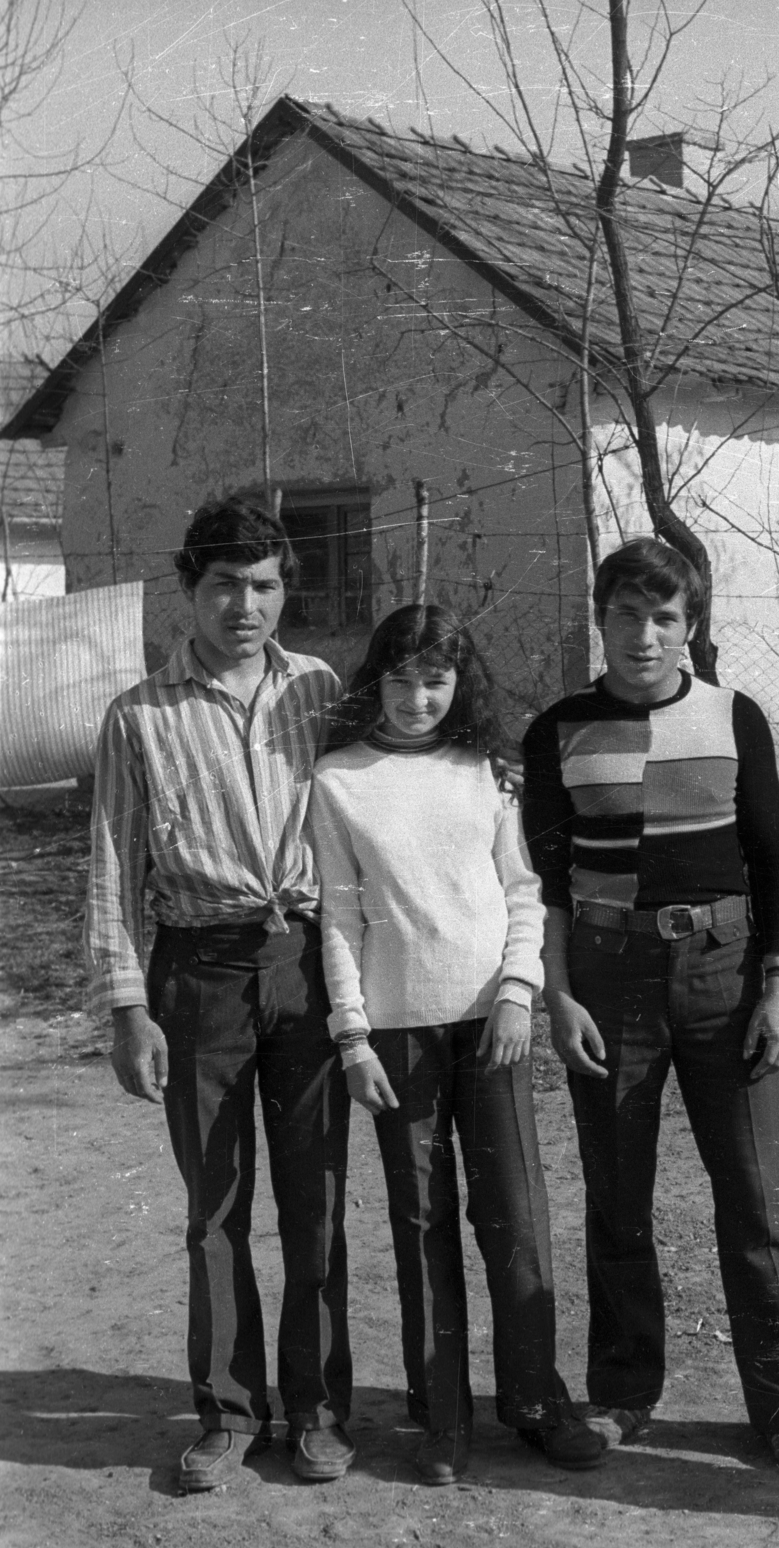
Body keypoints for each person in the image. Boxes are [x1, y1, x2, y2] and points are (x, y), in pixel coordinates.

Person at [521, 537, 779, 1476]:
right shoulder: (558, 730)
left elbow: (774, 861)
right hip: (608, 981)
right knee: (618, 1199)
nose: (643, 636)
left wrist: (778, 985)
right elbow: (551, 886)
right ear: (601, 620)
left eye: (664, 618)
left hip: (722, 974)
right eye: (625, 615)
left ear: (689, 625)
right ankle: (620, 1392)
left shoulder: (734, 716)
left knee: (752, 1195)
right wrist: (559, 996)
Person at [84, 496, 355, 1493]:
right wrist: (126, 1004)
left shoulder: (320, 692)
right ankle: (230, 1412)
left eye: (265, 584)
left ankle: (319, 1413)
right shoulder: (139, 714)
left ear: (285, 588)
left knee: (315, 1199)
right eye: (224, 585)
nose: (246, 605)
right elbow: (112, 863)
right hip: (196, 971)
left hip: (304, 961)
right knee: (217, 1210)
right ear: (189, 590)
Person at [307, 604, 603, 1485]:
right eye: (399, 680)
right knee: (421, 1218)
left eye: (434, 680)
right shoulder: (337, 781)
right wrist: (352, 1037)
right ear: (376, 682)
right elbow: (340, 917)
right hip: (397, 1036)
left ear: (456, 684)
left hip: (492, 1028)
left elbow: (522, 892)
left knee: (512, 1211)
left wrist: (517, 996)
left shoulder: (487, 771)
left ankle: (536, 1400)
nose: (416, 698)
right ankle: (442, 1414)